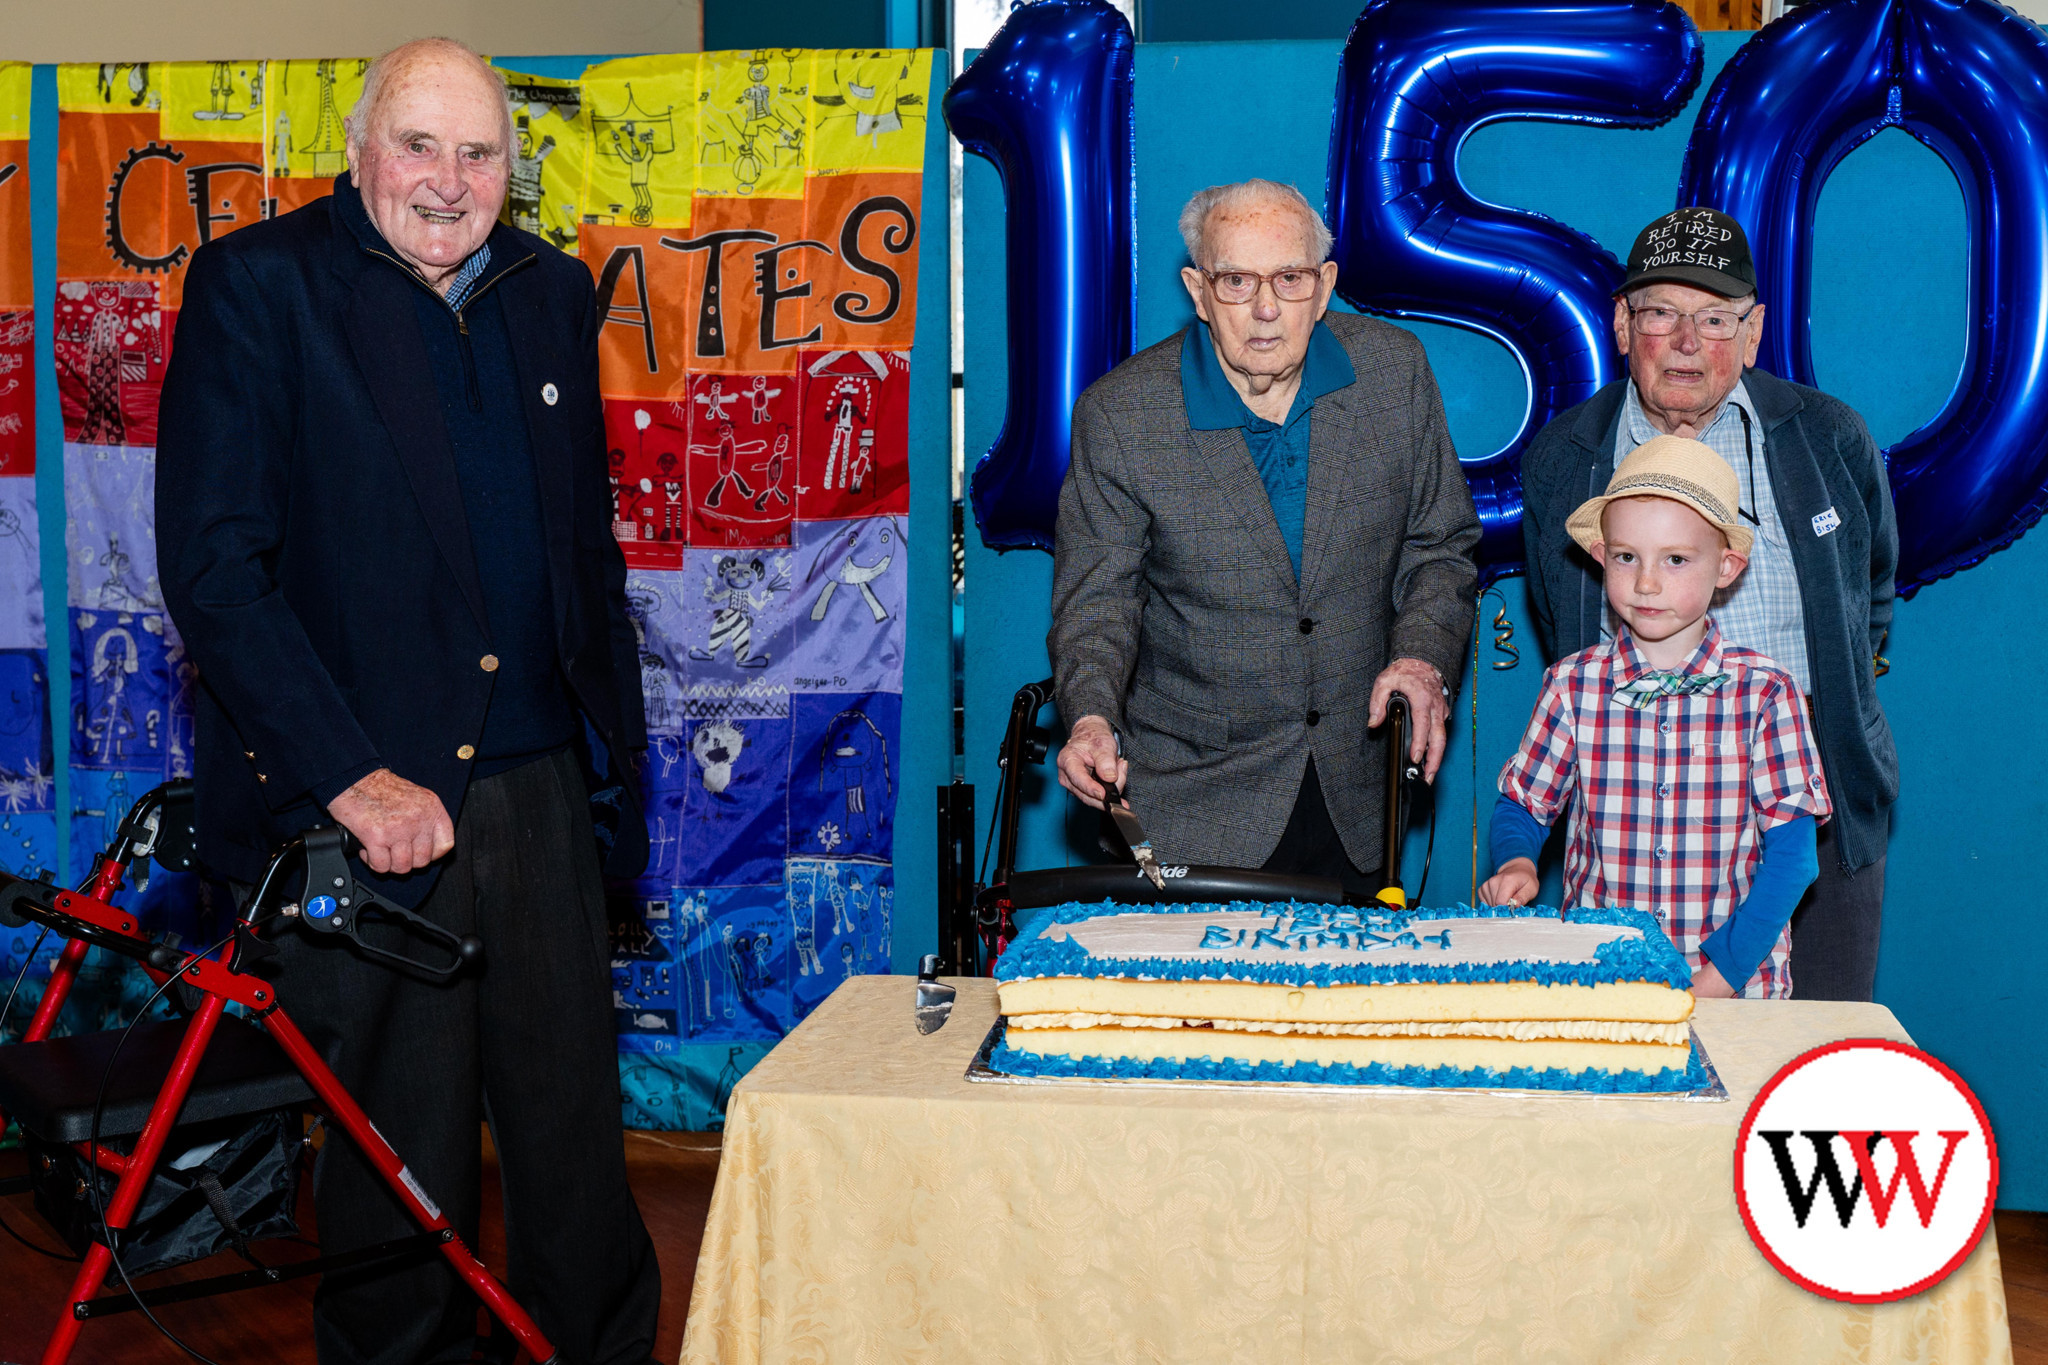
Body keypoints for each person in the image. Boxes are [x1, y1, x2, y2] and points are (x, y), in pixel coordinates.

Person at [156, 39, 660, 1365]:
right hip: (374, 812)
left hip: (543, 792)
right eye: (420, 146)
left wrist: (614, 775)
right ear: (362, 148)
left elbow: (576, 552)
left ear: (513, 167)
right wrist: (346, 775)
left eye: (479, 152)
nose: (448, 180)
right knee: (400, 1168)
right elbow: (214, 570)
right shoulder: (260, 288)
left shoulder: (552, 292)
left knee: (575, 1153)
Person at [1051, 179, 1480, 895]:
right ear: (1196, 288)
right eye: (1236, 281)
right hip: (1190, 803)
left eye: (1289, 277)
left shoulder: (1394, 372)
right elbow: (1099, 604)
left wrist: (1421, 659)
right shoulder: (1121, 417)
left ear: (1325, 284)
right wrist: (1091, 717)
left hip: (1358, 794)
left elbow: (1439, 545)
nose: (1266, 308)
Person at [1520, 206, 1898, 1001]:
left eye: (1715, 317)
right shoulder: (1563, 458)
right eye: (1661, 312)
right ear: (1623, 325)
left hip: (1810, 815)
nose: (1688, 341)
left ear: (1753, 332)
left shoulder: (1830, 438)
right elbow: (1566, 625)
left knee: (1807, 1067)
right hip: (1630, 827)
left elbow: (1869, 594)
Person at [1481, 438, 1830, 998]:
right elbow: (1523, 803)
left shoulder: (1766, 692)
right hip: (1601, 986)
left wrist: (1720, 976)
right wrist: (1519, 862)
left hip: (1734, 993)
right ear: (1601, 557)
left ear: (1727, 567)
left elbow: (1792, 861)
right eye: (1627, 557)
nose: (1645, 582)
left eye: (1675, 559)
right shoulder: (1572, 685)